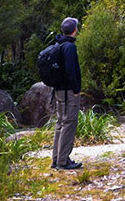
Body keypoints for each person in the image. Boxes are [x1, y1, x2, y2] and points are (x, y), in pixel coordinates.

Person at [52, 17, 83, 170]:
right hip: (68, 92)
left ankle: (56, 159)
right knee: (69, 123)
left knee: (60, 123)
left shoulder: (58, 44)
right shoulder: (69, 47)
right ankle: (63, 161)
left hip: (58, 90)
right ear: (75, 30)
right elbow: (71, 71)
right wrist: (76, 89)